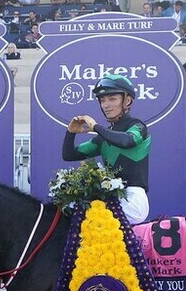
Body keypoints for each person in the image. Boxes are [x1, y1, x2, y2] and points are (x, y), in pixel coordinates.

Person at [63, 74, 151, 224]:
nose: (106, 105)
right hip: (112, 197)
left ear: (127, 100)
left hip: (133, 200)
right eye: (102, 100)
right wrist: (70, 132)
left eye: (112, 99)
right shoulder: (103, 138)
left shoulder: (138, 126)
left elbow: (127, 141)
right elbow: (69, 155)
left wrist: (96, 127)